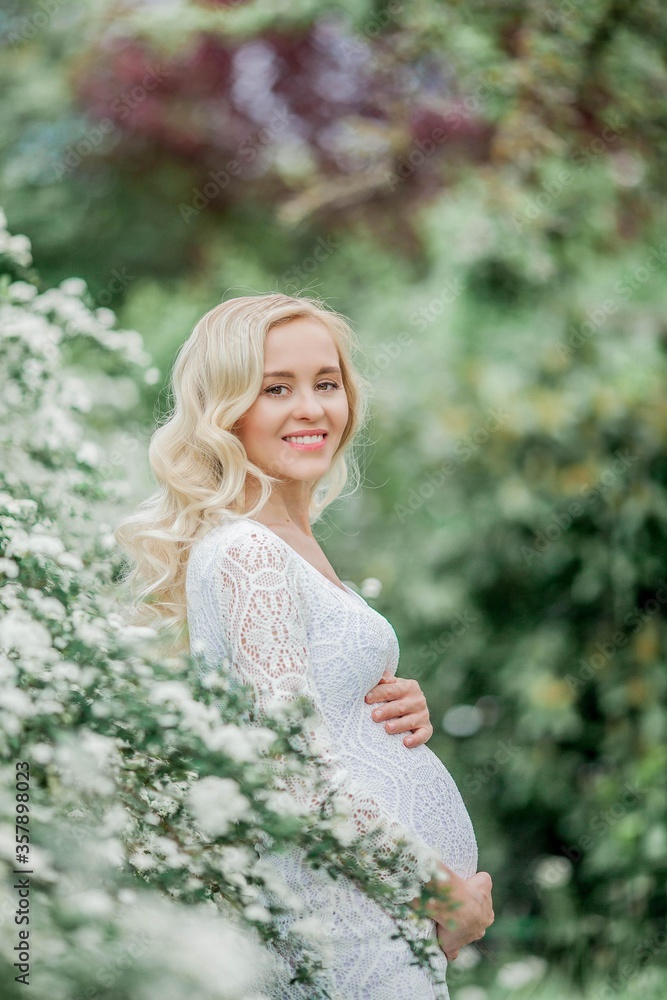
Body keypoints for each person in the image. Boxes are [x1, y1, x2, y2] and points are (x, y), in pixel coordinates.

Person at [115, 292, 493, 999]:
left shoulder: (287, 544)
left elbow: (308, 722)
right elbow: (293, 777)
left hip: (376, 925)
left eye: (326, 383)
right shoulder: (248, 551)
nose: (312, 408)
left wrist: (385, 712)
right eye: (275, 389)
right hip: (346, 935)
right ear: (225, 410)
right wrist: (444, 896)